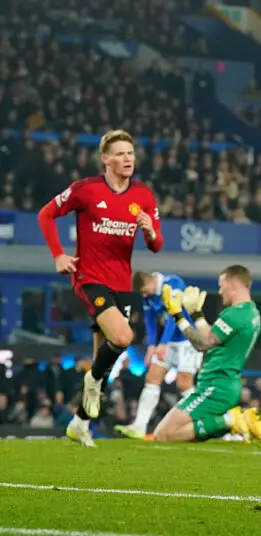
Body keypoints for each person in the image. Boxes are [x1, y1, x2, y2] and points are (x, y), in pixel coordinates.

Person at [37, 129, 164, 447]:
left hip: (122, 283)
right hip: (90, 277)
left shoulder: (143, 197)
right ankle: (90, 380)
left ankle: (80, 423)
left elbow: (157, 246)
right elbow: (46, 214)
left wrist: (149, 232)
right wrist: (58, 255)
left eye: (131, 154)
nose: (127, 159)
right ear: (105, 159)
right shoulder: (86, 190)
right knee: (123, 338)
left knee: (104, 361)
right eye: (120, 154)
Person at [151, 265, 261, 444]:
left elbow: (202, 344)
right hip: (224, 384)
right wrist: (196, 314)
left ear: (233, 286)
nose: (220, 292)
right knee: (184, 435)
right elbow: (212, 336)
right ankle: (230, 424)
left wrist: (178, 316)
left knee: (163, 435)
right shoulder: (250, 313)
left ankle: (231, 420)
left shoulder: (235, 315)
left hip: (216, 387)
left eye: (222, 286)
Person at [114, 271, 203, 440]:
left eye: (146, 291)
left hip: (187, 339)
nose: (145, 295)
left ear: (152, 281)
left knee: (184, 384)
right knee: (152, 377)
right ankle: (139, 426)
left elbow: (174, 317)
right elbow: (150, 320)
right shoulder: (147, 295)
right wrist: (152, 346)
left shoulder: (174, 283)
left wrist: (162, 343)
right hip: (167, 341)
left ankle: (204, 421)